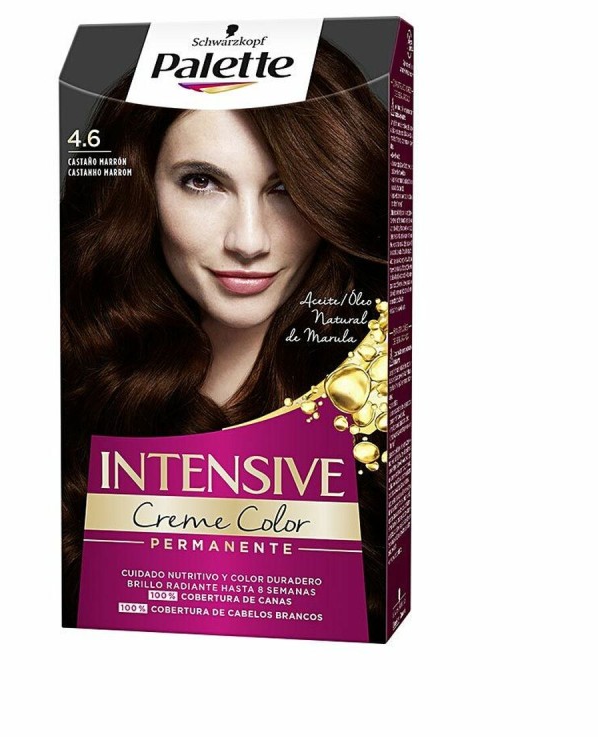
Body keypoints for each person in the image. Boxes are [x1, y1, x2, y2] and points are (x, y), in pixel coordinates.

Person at [61, 37, 389, 632]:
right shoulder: (73, 369)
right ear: (143, 189)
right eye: (202, 182)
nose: (249, 241)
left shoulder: (382, 389)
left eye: (284, 188)